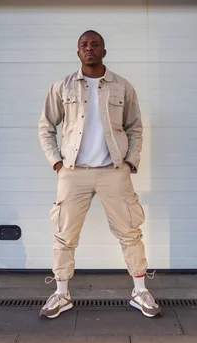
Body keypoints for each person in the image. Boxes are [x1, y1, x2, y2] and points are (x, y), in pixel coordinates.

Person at [37, 30, 161, 319]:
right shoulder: (62, 87)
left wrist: (130, 162)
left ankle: (140, 290)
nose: (89, 49)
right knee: (64, 235)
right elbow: (46, 127)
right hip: (73, 172)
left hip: (113, 172)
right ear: (78, 52)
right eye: (84, 45)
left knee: (130, 232)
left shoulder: (122, 86)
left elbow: (135, 127)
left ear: (104, 51)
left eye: (95, 45)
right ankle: (61, 293)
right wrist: (56, 162)